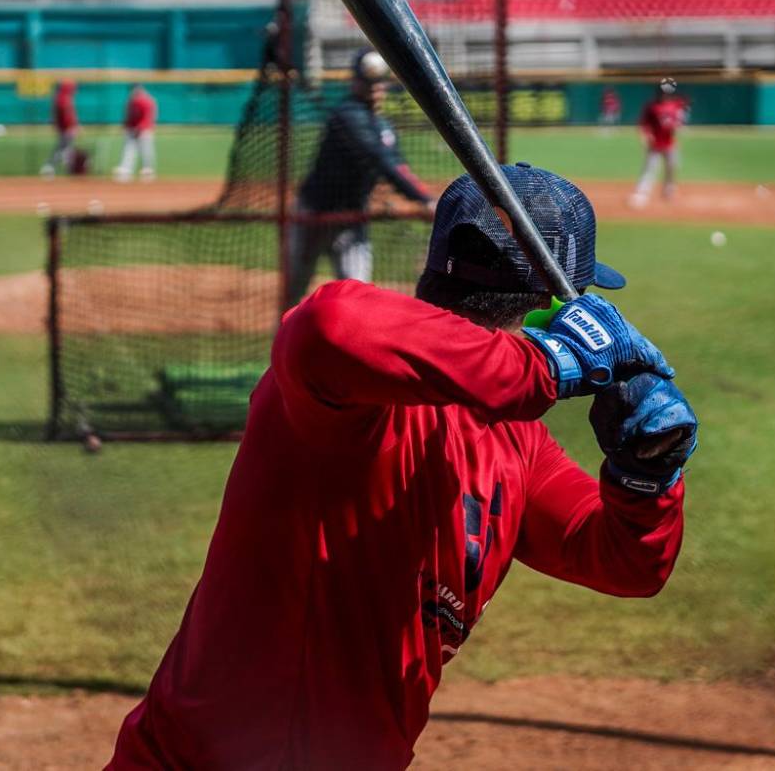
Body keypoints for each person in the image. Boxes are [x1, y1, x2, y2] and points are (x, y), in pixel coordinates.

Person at [107, 163, 695, 770]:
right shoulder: (354, 401)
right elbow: (327, 325)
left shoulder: (518, 443)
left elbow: (627, 562)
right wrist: (544, 365)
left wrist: (645, 473)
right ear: (547, 302)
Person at [284, 50, 432, 305]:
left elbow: (397, 165)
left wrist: (421, 197)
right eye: (367, 82)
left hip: (352, 218)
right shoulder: (347, 116)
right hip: (314, 215)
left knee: (358, 294)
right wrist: (424, 199)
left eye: (378, 83)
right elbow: (381, 159)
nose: (374, 89)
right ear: (354, 82)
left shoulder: (384, 126)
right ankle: (284, 339)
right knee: (294, 288)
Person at [630, 79, 687, 208]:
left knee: (672, 168)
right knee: (650, 169)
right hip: (655, 144)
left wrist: (678, 126)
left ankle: (669, 190)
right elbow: (643, 124)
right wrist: (645, 137)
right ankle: (642, 192)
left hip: (670, 143)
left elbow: (678, 122)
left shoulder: (676, 105)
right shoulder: (651, 106)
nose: (665, 95)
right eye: (663, 92)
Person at [113, 84, 158, 182]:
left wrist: (141, 128)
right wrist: (126, 126)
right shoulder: (131, 101)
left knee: (146, 150)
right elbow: (129, 115)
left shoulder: (147, 101)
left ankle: (148, 171)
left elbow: (148, 117)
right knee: (128, 149)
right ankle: (126, 171)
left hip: (145, 129)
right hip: (132, 129)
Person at [41, 79, 81, 178]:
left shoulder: (60, 97)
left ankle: (66, 168)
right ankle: (49, 167)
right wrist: (71, 126)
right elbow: (66, 114)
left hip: (64, 127)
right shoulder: (64, 98)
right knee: (62, 149)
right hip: (66, 128)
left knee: (65, 149)